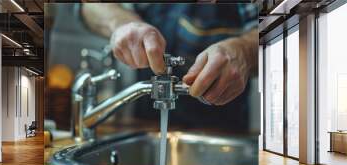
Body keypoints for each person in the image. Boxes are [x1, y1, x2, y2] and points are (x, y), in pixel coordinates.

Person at [82, 3, 258, 130]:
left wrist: (245, 50)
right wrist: (122, 24)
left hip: (223, 130)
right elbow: (90, 6)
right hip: (146, 127)